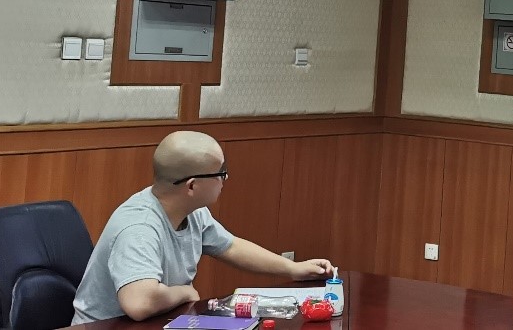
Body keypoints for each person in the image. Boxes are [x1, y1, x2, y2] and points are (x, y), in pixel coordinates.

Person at [71, 131, 335, 324]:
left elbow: (230, 247)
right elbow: (139, 303)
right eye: (220, 173)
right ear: (192, 186)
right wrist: (184, 292)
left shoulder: (192, 211)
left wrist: (293, 268)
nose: (225, 179)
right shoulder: (139, 227)